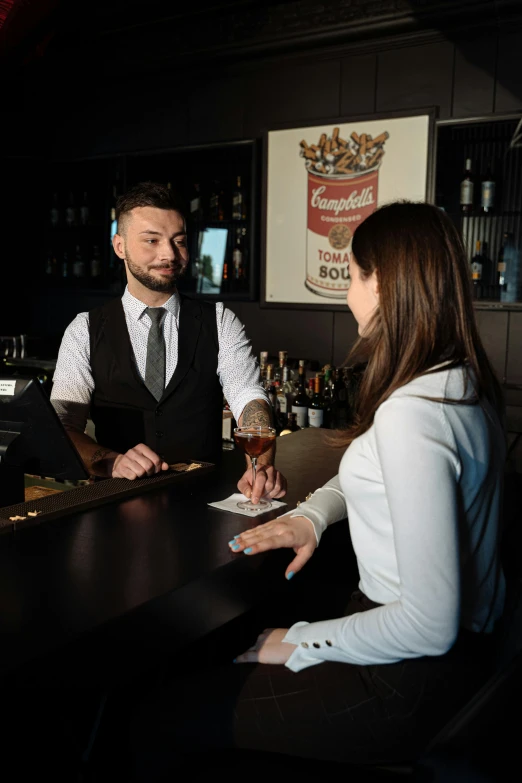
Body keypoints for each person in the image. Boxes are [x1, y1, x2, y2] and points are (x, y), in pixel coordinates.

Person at [117, 200, 507, 779]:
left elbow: (429, 622)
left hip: (403, 678)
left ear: (385, 285)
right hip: (457, 660)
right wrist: (313, 517)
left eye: (352, 276)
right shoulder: (459, 384)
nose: (347, 294)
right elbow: (371, 476)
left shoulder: (411, 415)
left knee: (156, 716)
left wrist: (299, 640)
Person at [50, 181, 286, 503]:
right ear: (119, 246)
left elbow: (250, 400)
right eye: (152, 240)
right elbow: (63, 426)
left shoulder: (219, 321)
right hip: (115, 510)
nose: (169, 255)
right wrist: (112, 461)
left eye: (179, 242)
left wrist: (260, 465)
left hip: (204, 506)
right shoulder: (84, 330)